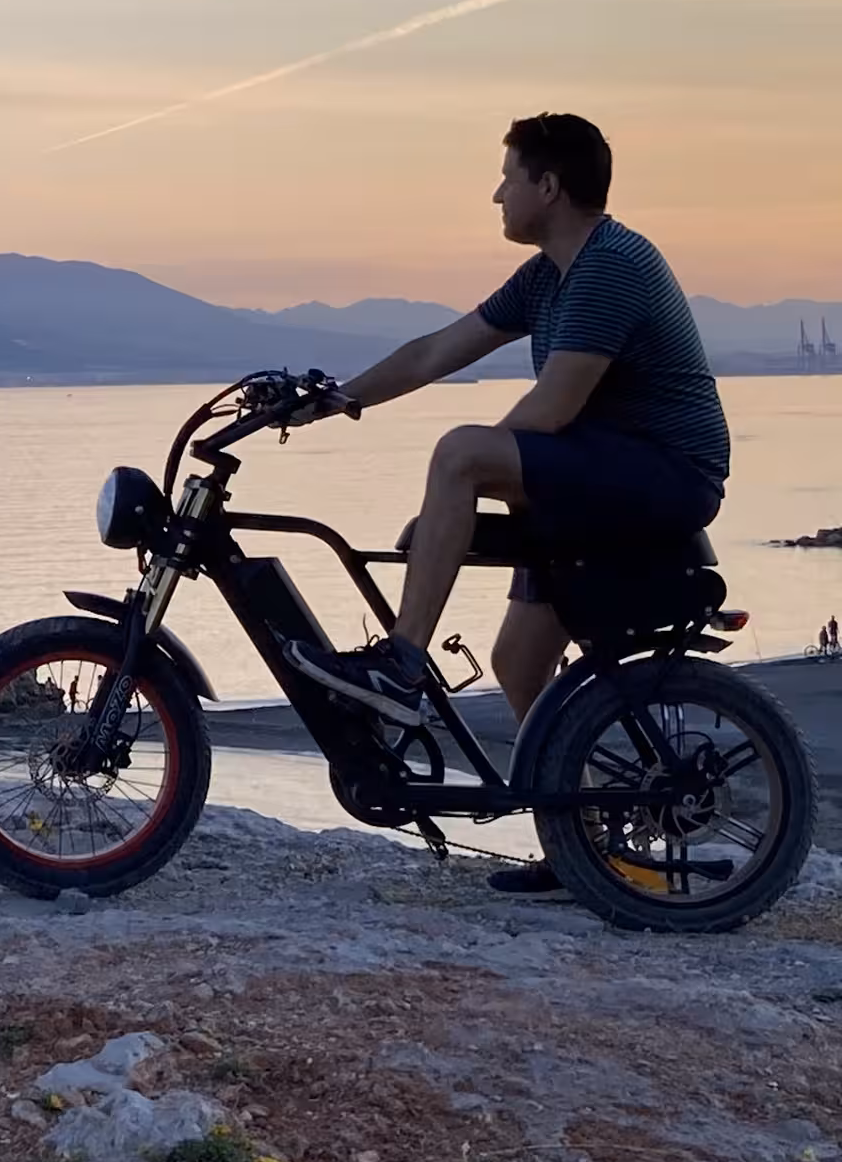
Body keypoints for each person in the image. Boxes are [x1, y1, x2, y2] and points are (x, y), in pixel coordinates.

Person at [282, 113, 731, 894]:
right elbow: (435, 351)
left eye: (507, 178)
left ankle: (402, 666)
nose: (497, 195)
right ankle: (584, 851)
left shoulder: (611, 266)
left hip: (665, 472)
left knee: (460, 451)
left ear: (548, 187)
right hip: (597, 474)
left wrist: (463, 482)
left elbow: (551, 410)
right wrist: (337, 399)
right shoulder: (548, 275)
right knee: (519, 662)